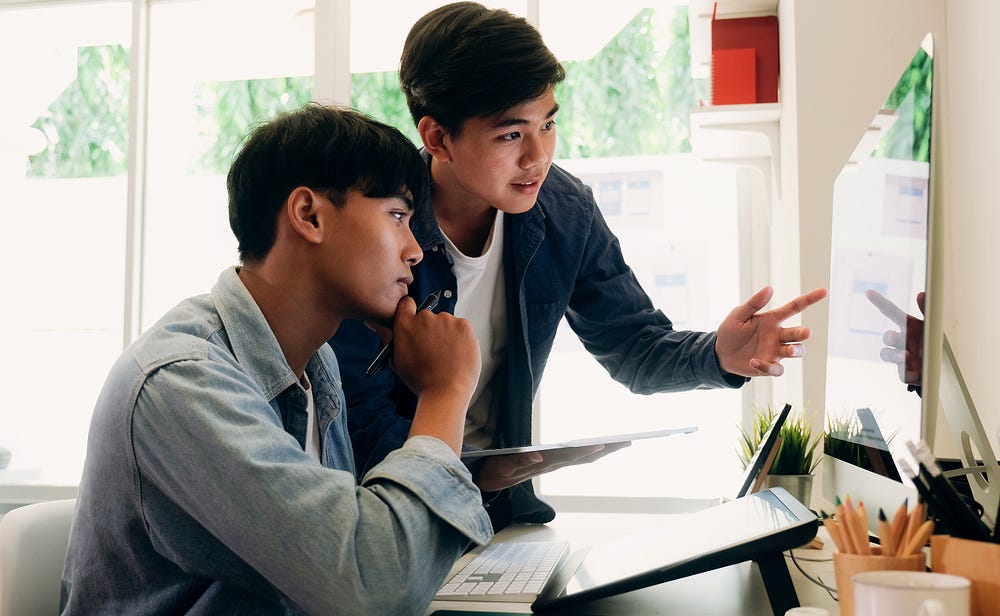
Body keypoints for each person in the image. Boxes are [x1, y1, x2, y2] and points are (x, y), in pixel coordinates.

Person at [330, 1, 828, 530]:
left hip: (501, 519)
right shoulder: (374, 230)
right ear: (437, 138)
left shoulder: (565, 211)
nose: (537, 156)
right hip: (387, 518)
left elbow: (635, 347)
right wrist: (474, 472)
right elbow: (354, 420)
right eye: (509, 134)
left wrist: (719, 355)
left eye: (547, 125)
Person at [60, 104, 493, 615]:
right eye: (397, 216)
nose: (415, 251)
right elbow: (375, 587)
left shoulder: (317, 366)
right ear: (309, 214)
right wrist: (445, 391)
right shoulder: (181, 383)